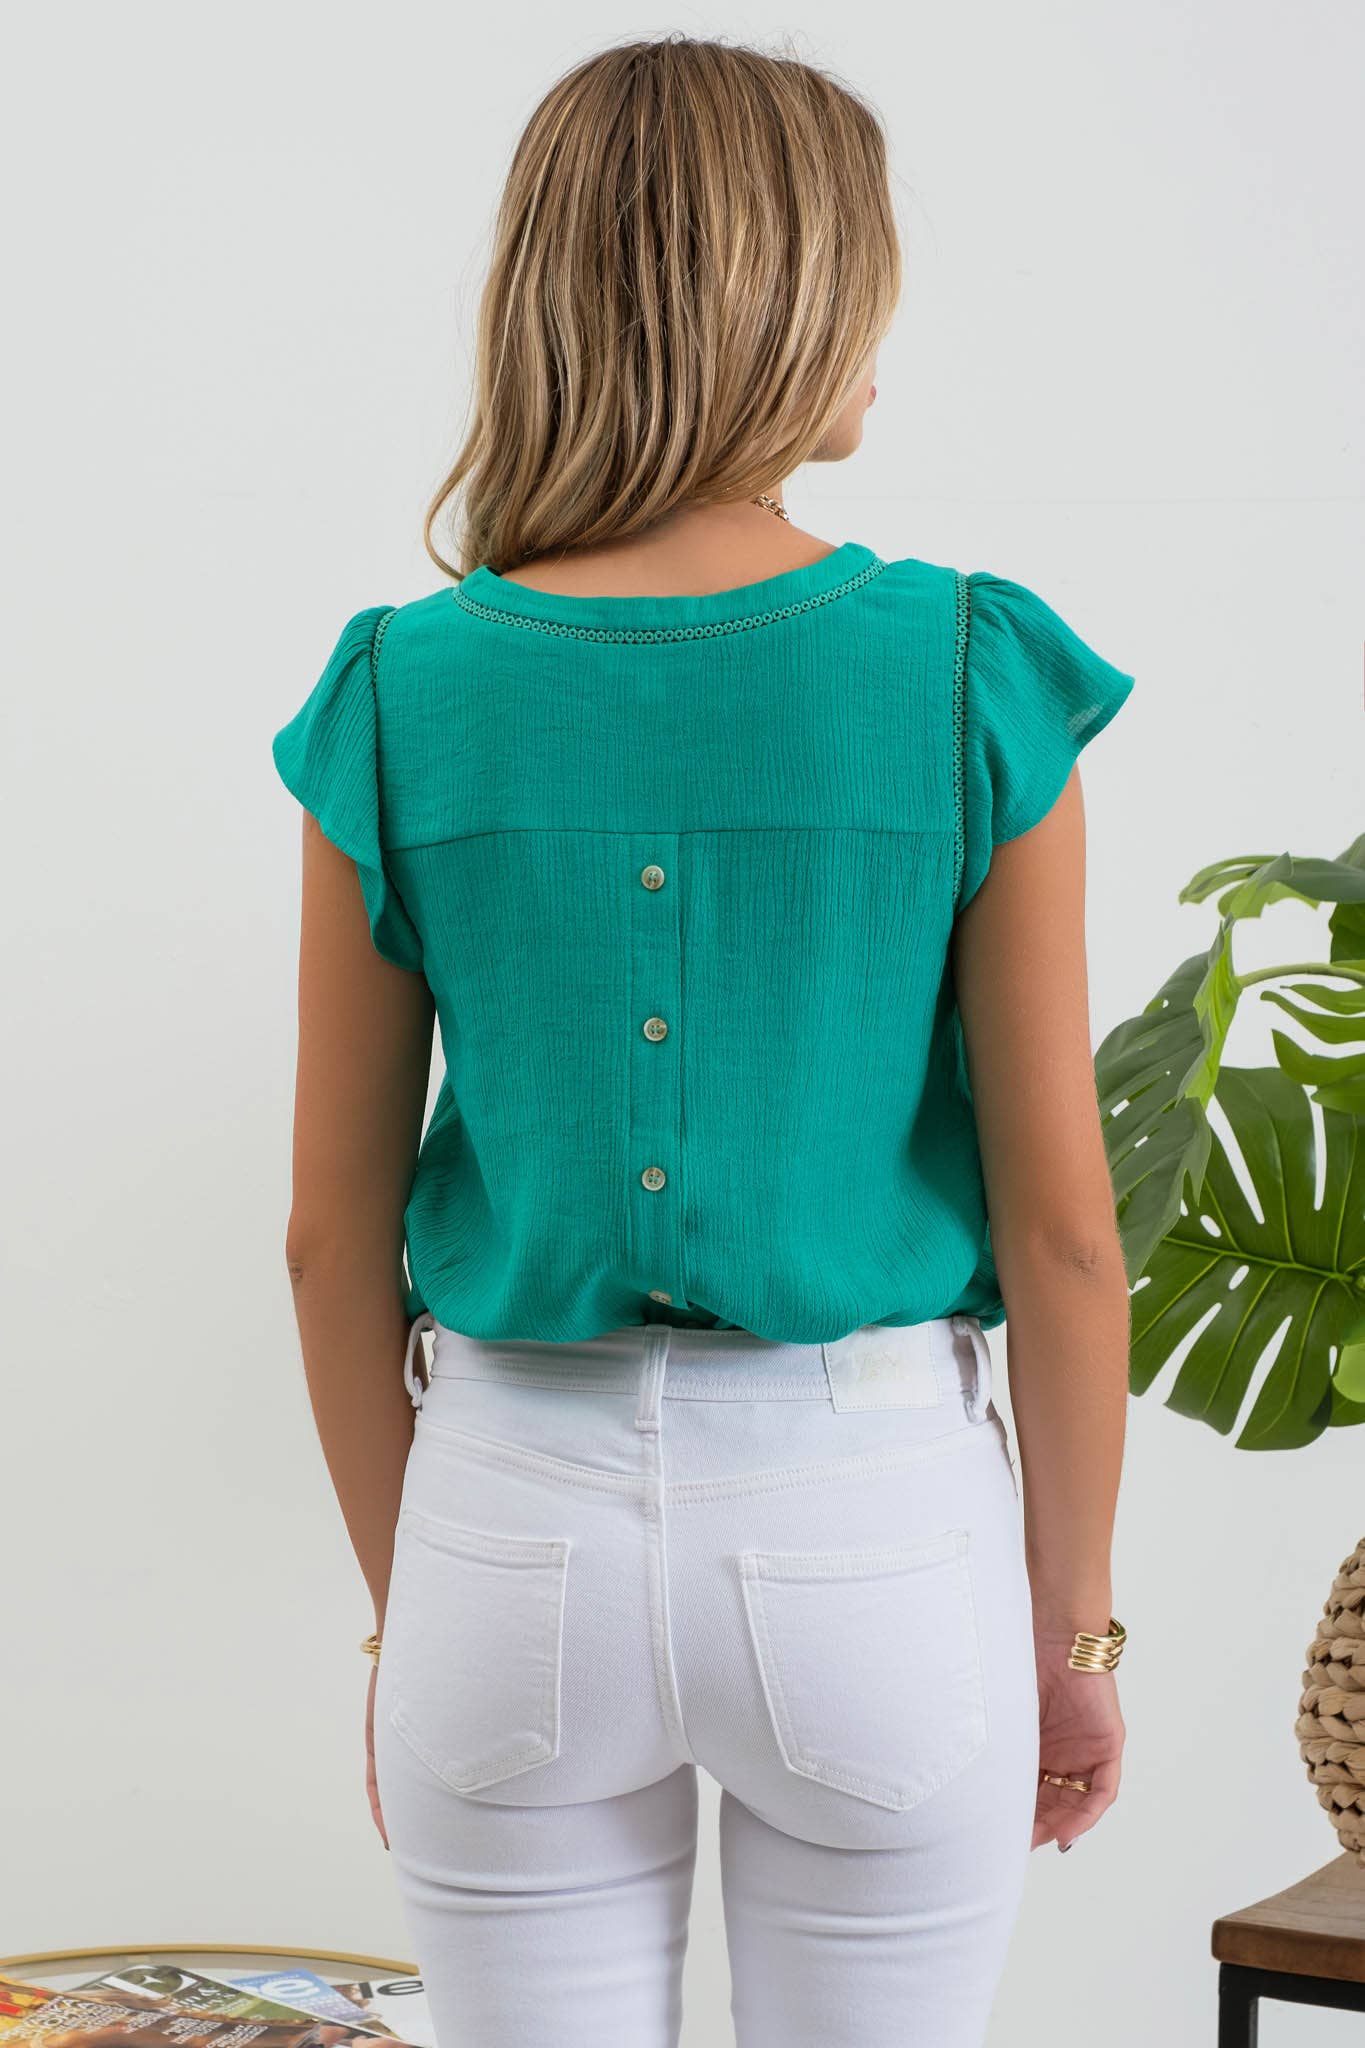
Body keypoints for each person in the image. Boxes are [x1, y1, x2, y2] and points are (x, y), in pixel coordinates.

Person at [272, 32, 1133, 2048]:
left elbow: (327, 1242)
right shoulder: (961, 667)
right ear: (782, 298)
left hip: (503, 1517)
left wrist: (419, 1616)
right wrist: (1072, 1632)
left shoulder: (400, 689)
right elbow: (1063, 1236)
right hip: (870, 1520)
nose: (881, 341)